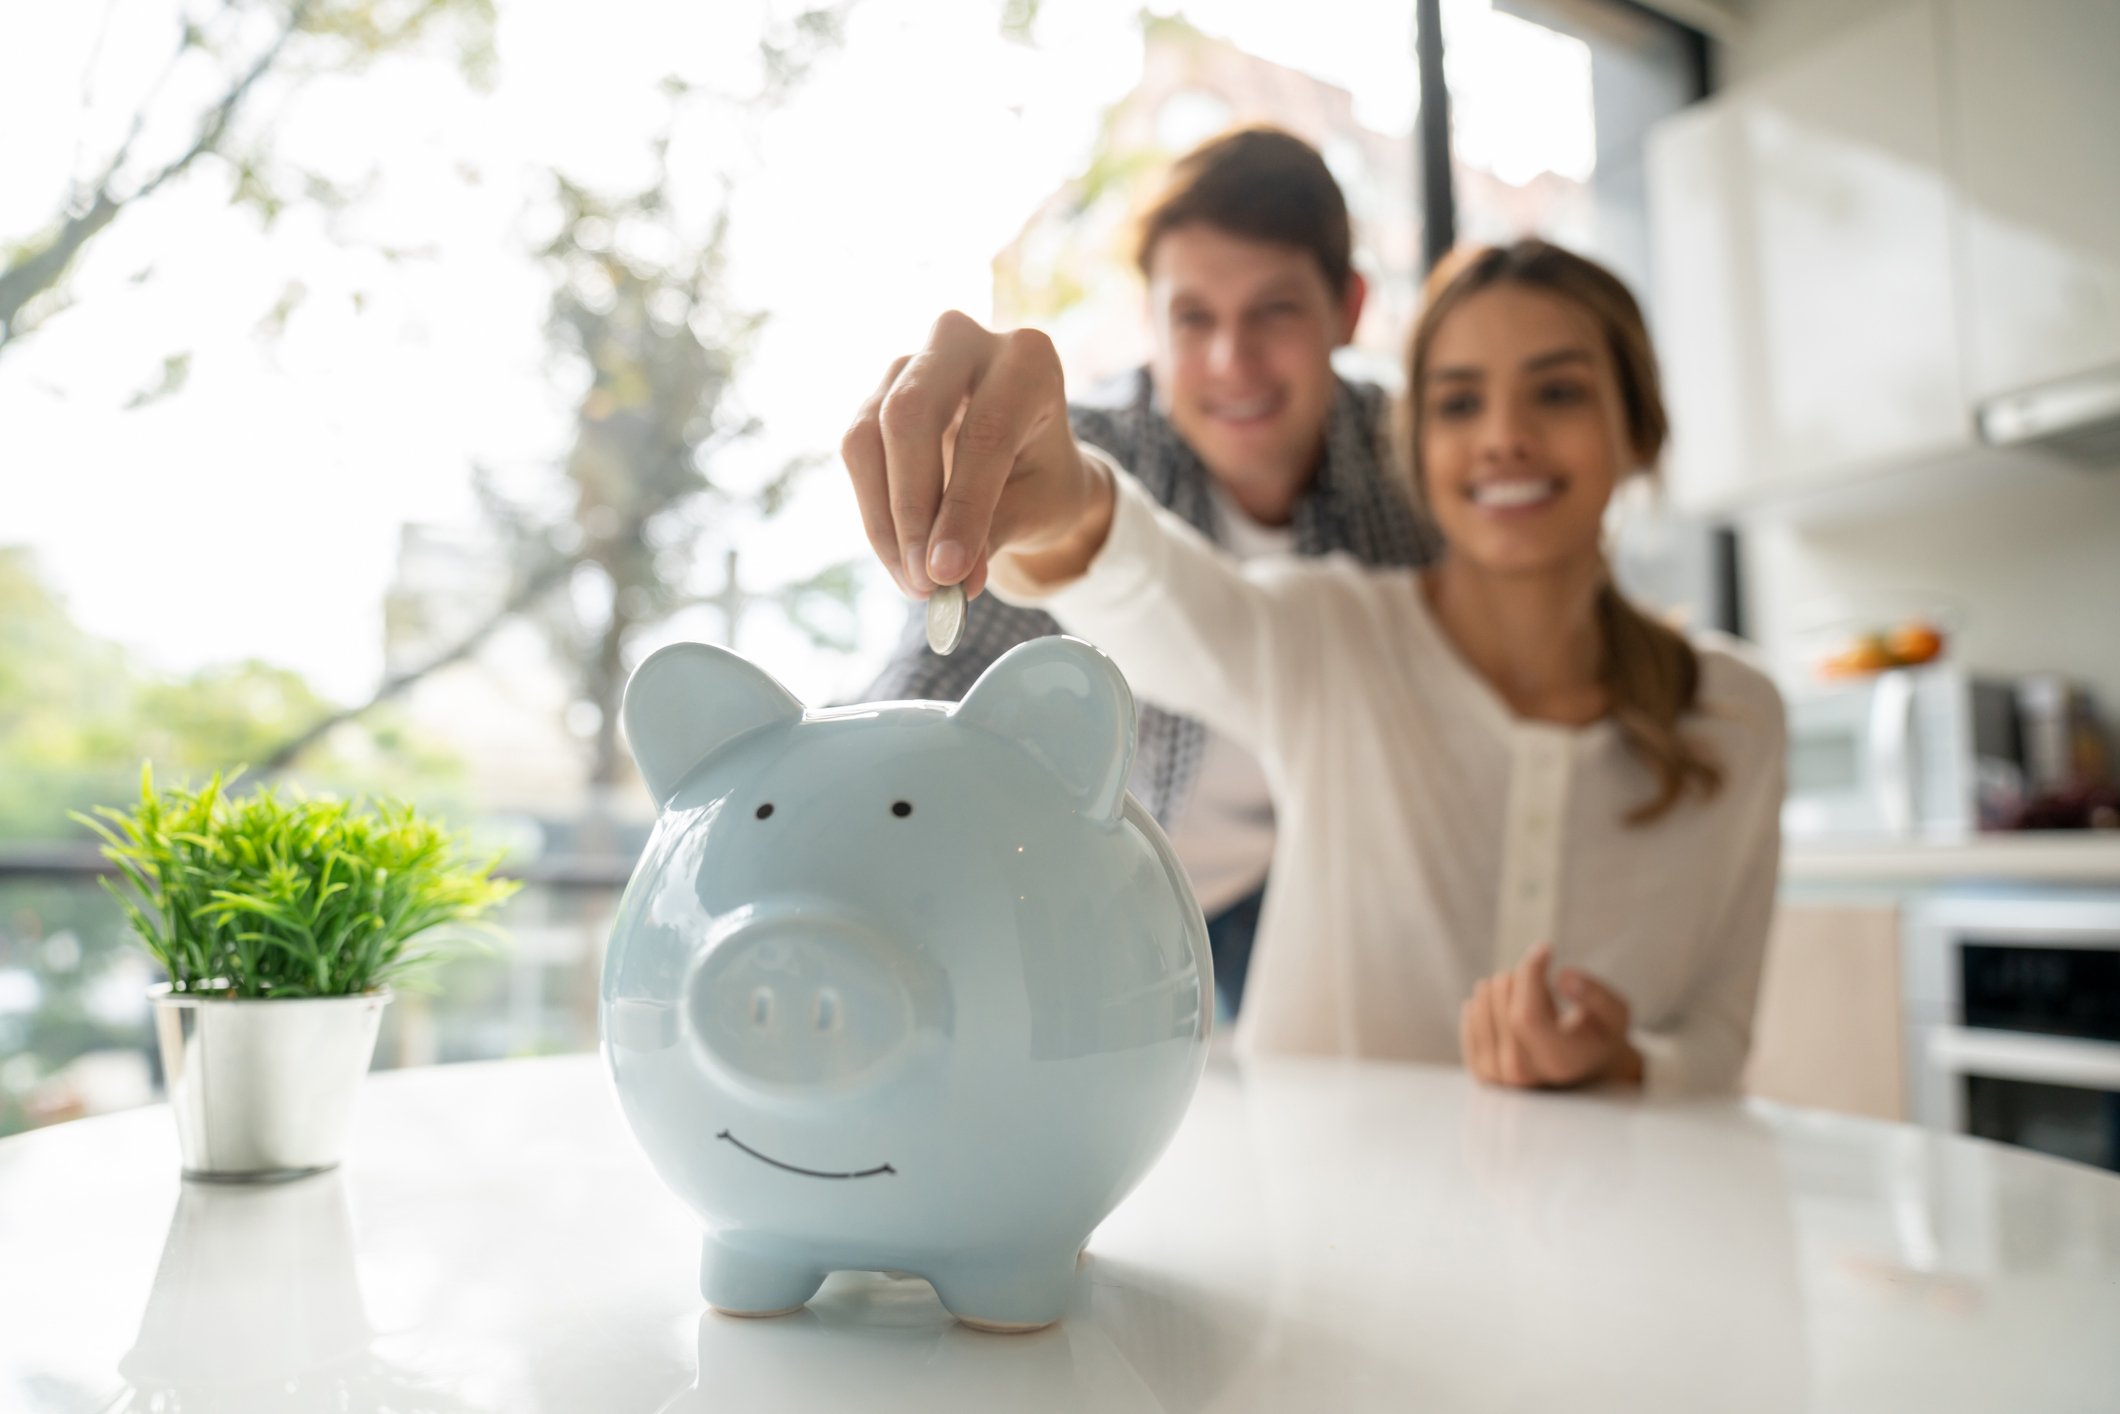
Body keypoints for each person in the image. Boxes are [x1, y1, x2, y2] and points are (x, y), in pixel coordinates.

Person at [840, 239, 1786, 1094]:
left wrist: (1621, 1064)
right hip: (1319, 1246)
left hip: (1607, 1242)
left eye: (1558, 391)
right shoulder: (1335, 637)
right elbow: (1154, 589)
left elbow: (1716, 1042)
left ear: (1642, 426)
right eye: (1459, 401)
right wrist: (1060, 498)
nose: (1504, 435)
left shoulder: (1739, 714)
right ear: (1415, 449)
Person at [855, 126, 1435, 1020]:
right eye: (1193, 317)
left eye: (1273, 312)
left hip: (1327, 895)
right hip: (1118, 914)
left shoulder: (1414, 466)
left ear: (1348, 308)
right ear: (1151, 322)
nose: (1229, 361)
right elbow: (942, 684)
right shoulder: (1078, 460)